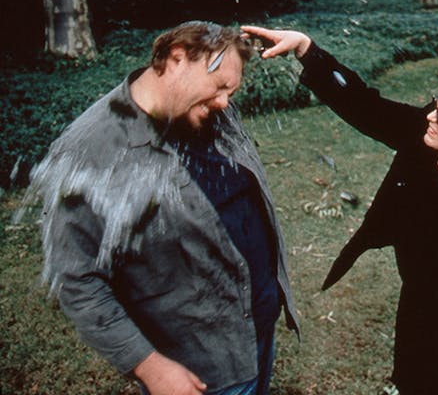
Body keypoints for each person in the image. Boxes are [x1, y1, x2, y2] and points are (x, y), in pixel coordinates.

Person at [241, 26, 438, 395]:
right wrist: (307, 49)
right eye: (435, 104)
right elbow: (364, 106)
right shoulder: (423, 141)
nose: (430, 116)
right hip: (418, 315)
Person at [28, 21, 299, 395]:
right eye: (219, 87)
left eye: (231, 92)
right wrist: (149, 366)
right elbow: (76, 279)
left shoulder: (206, 110)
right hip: (201, 367)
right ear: (176, 59)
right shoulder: (91, 148)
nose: (225, 103)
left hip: (257, 328)